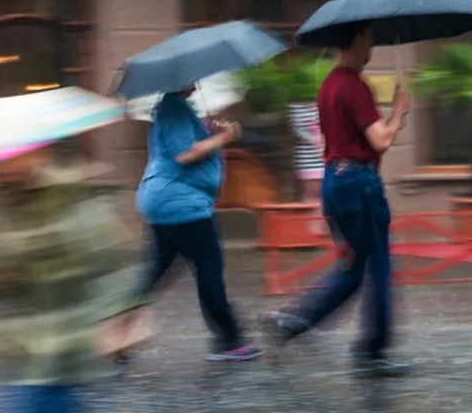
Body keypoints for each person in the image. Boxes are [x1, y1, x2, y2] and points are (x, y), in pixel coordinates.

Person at [259, 21, 413, 377]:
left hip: (336, 182)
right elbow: (380, 141)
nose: (373, 42)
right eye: (370, 36)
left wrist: (391, 116)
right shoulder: (354, 86)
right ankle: (372, 352)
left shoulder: (329, 83)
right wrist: (400, 109)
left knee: (355, 268)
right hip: (359, 185)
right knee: (378, 269)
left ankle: (292, 322)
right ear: (357, 38)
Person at [0, 148, 144, 413]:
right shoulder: (0, 207)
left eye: (12, 155)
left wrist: (120, 316)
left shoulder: (66, 197)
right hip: (22, 350)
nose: (1, 164)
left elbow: (108, 263)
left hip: (60, 346)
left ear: (36, 153)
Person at [132, 85, 261, 361]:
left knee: (154, 273)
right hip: (183, 206)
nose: (198, 80)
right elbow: (185, 154)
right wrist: (224, 137)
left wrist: (209, 131)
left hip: (168, 203)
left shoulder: (173, 107)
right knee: (209, 269)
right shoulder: (174, 108)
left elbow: (183, 146)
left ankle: (113, 331)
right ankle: (229, 340)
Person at [289, 101, 326, 233]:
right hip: (309, 162)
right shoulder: (295, 108)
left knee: (323, 196)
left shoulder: (324, 104)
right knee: (311, 195)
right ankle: (310, 229)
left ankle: (316, 228)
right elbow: (297, 130)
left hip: (323, 161)